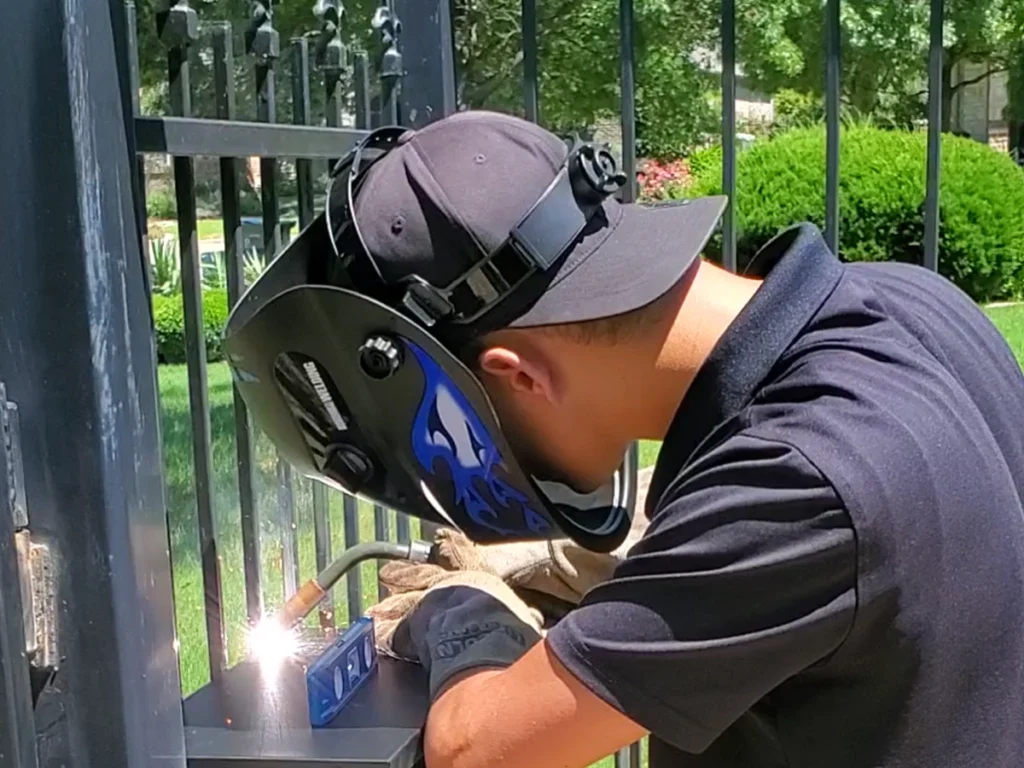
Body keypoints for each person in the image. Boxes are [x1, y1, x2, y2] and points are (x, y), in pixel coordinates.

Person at [329, 110, 1024, 767]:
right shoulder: (910, 300)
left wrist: (462, 607)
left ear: (520, 375)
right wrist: (641, 572)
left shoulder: (795, 481)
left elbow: (477, 749)